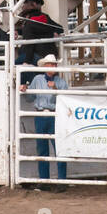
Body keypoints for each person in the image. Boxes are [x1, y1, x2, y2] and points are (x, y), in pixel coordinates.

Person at [22, 54, 68, 184]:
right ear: (45, 66)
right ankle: (45, 180)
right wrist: (25, 90)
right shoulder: (38, 80)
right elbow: (30, 98)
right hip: (42, 115)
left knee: (58, 148)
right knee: (43, 149)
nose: (53, 66)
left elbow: (64, 100)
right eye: (51, 64)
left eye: (54, 64)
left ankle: (61, 180)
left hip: (55, 115)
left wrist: (55, 89)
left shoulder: (61, 82)